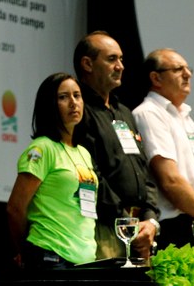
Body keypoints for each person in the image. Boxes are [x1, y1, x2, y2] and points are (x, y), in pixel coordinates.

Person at [72, 30, 160, 261]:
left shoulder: (124, 113)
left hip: (141, 230)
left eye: (121, 59)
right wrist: (125, 223)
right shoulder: (80, 112)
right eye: (111, 59)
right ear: (87, 64)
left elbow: (144, 170)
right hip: (105, 228)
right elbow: (91, 175)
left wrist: (150, 219)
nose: (120, 66)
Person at [132, 48, 194, 250]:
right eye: (178, 69)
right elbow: (170, 180)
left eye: (188, 69)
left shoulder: (185, 117)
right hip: (179, 228)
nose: (188, 74)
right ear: (156, 78)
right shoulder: (149, 113)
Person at [7, 73, 98, 275]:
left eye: (77, 95)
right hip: (50, 255)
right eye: (63, 97)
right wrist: (25, 250)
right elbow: (15, 208)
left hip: (85, 259)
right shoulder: (42, 149)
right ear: (50, 105)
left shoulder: (83, 152)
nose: (73, 103)